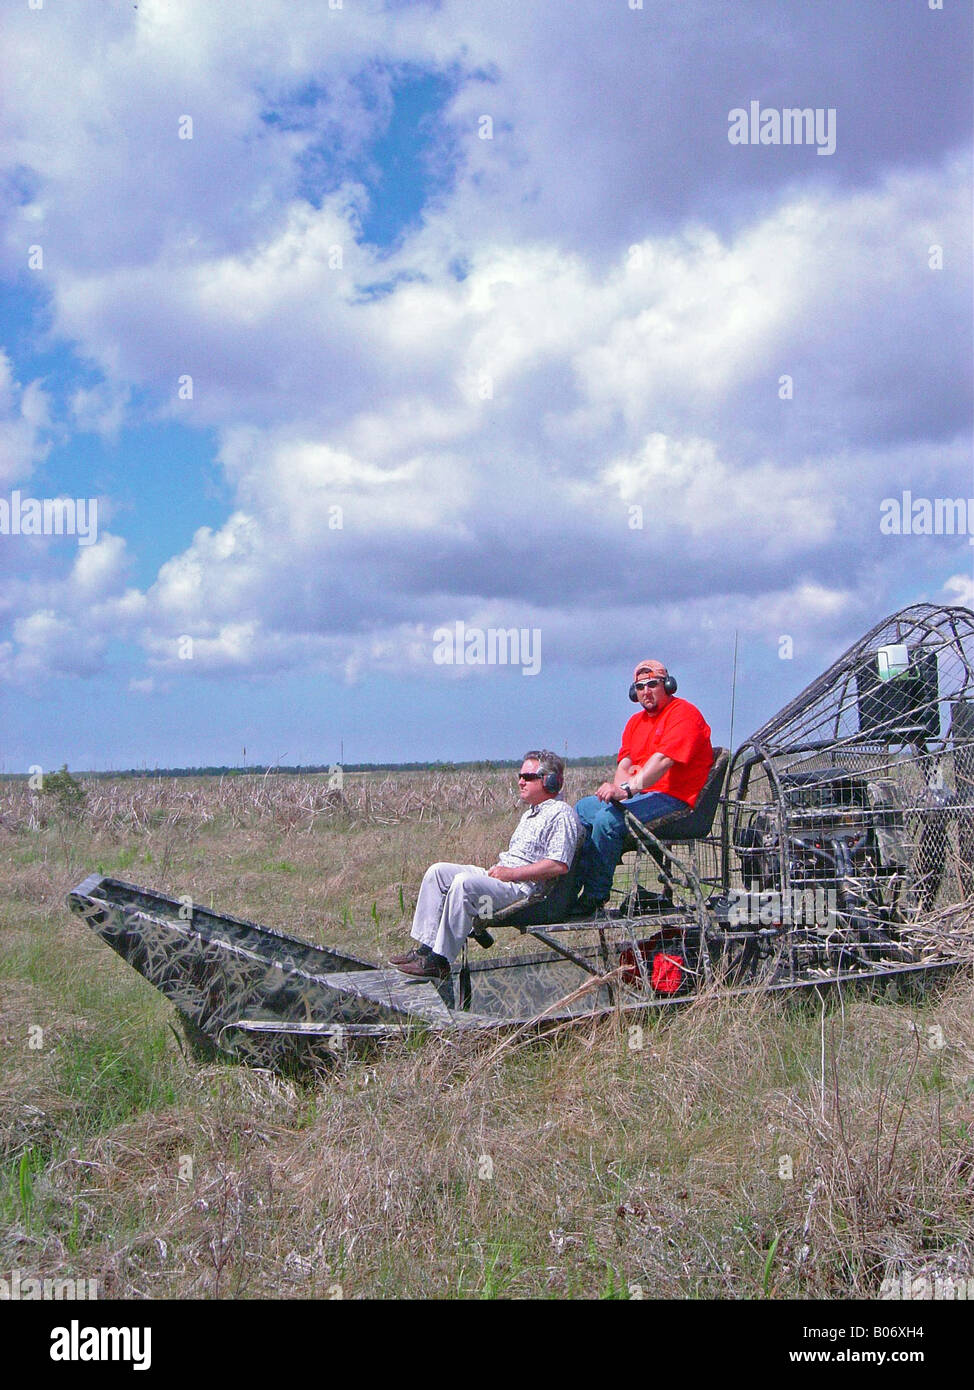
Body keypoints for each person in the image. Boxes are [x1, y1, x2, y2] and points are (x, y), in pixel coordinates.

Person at [391, 750, 582, 980]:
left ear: (549, 781)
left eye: (528, 777)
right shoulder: (531, 814)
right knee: (438, 872)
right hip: (504, 877)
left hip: (524, 891)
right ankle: (426, 948)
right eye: (520, 775)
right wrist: (504, 872)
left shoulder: (561, 814)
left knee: (463, 884)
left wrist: (512, 874)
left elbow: (559, 865)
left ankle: (439, 962)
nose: (520, 781)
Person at [572, 659, 712, 915]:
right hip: (644, 797)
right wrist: (618, 794)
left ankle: (594, 897)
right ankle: (568, 889)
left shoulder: (684, 714)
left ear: (668, 685)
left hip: (675, 798)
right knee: (582, 809)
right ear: (633, 692)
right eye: (639, 686)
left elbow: (663, 760)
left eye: (652, 684)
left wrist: (627, 790)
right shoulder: (635, 723)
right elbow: (625, 764)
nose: (646, 691)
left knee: (607, 821)